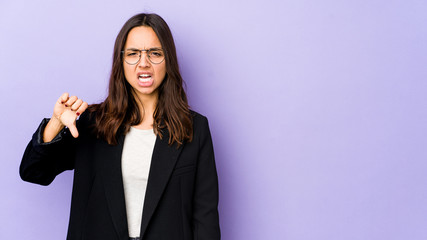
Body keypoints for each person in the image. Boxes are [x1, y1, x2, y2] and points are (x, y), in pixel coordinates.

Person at [20, 13, 220, 240]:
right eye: (133, 54)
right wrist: (55, 124)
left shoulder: (194, 129)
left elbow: (206, 219)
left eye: (154, 53)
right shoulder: (93, 123)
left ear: (168, 61)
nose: (143, 63)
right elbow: (33, 172)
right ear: (121, 62)